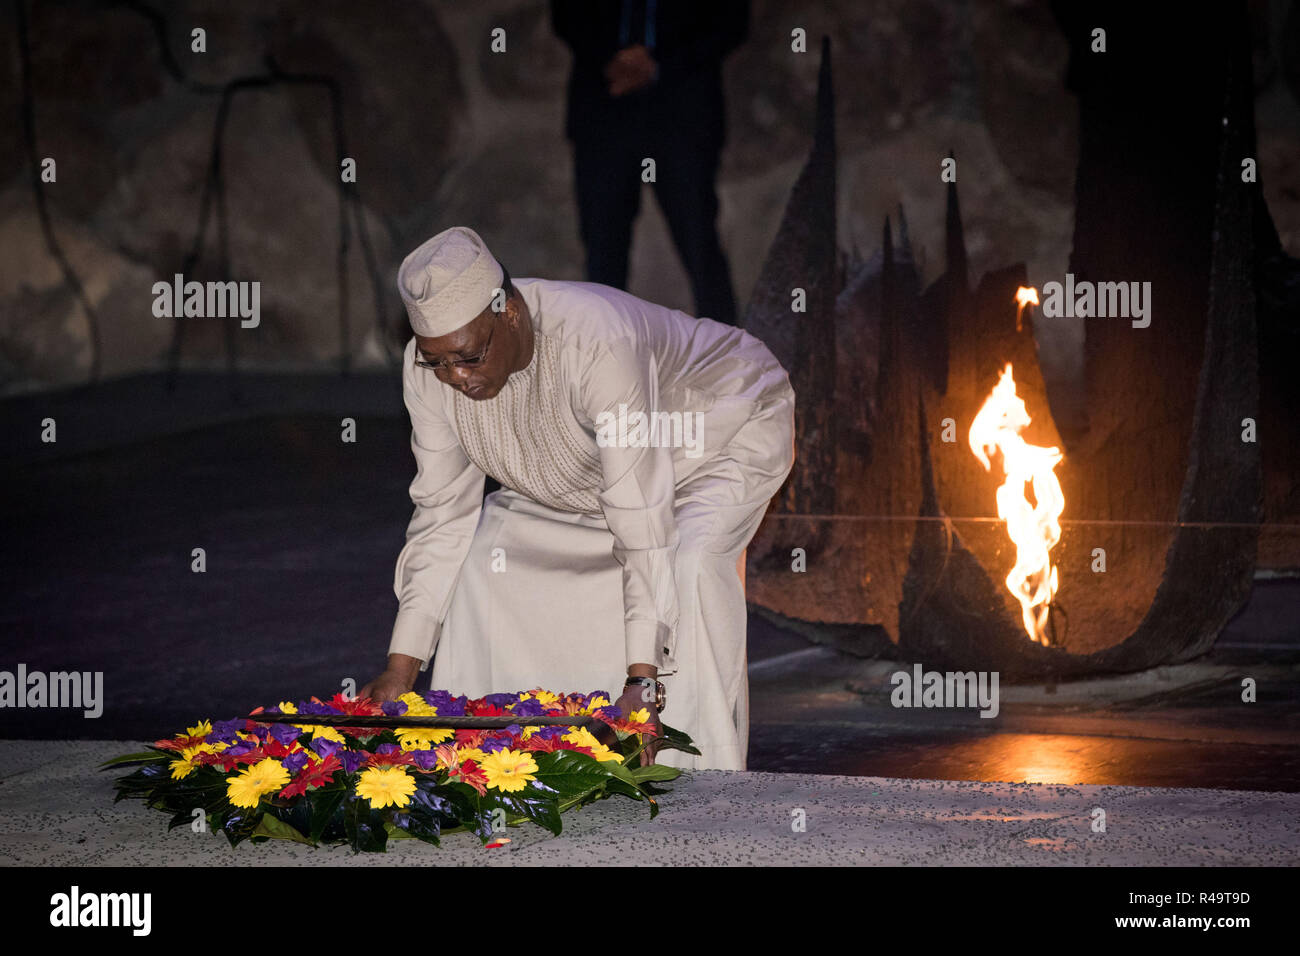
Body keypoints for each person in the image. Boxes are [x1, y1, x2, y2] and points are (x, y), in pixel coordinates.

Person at [361, 226, 793, 770]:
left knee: (688, 563)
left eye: (468, 357)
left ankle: (691, 775)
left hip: (719, 430)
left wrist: (643, 682)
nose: (457, 379)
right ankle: (501, 760)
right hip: (596, 473)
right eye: (439, 361)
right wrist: (403, 668)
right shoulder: (430, 373)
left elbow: (640, 517)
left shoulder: (597, 342)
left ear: (510, 313)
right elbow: (442, 512)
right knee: (482, 556)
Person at [550, 0, 748, 325]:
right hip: (604, 113)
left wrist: (658, 65)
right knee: (603, 255)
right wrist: (612, 59)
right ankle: (602, 356)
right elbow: (567, 15)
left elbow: (731, 23)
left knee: (700, 244)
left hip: (682, 115)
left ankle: (728, 359)